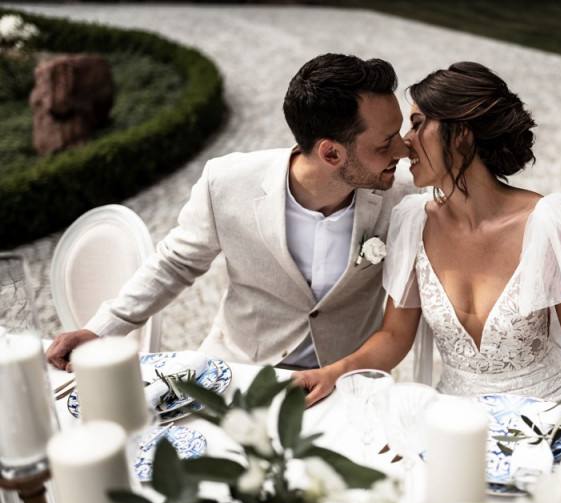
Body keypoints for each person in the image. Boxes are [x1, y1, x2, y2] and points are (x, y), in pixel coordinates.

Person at [293, 61, 561, 451]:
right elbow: (393, 335)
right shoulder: (411, 221)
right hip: (455, 424)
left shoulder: (548, 223)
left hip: (549, 420)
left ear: (462, 136)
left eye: (418, 124)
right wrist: (333, 373)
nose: (405, 142)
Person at [46, 53, 416, 372]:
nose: (402, 151)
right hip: (239, 368)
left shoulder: (401, 198)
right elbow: (175, 264)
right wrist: (100, 330)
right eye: (386, 142)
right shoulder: (226, 182)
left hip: (345, 377)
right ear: (331, 153)